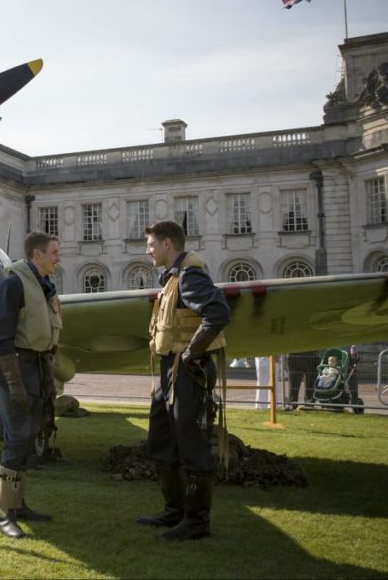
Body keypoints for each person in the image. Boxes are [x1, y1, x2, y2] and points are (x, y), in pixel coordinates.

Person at [137, 220, 230, 542]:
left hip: (187, 372)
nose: (147, 250)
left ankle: (196, 522)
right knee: (161, 442)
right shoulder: (174, 277)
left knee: (193, 447)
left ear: (167, 244)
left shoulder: (190, 275)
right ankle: (174, 511)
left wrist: (190, 354)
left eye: (151, 244)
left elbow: (218, 313)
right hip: (171, 371)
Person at [0, 231, 60, 539]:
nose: (58, 258)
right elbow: (0, 337)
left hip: (36, 369)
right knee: (16, 439)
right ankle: (4, 513)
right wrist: (14, 384)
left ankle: (18, 504)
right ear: (37, 255)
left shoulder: (43, 286)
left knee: (27, 439)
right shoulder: (13, 284)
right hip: (15, 369)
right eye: (54, 252)